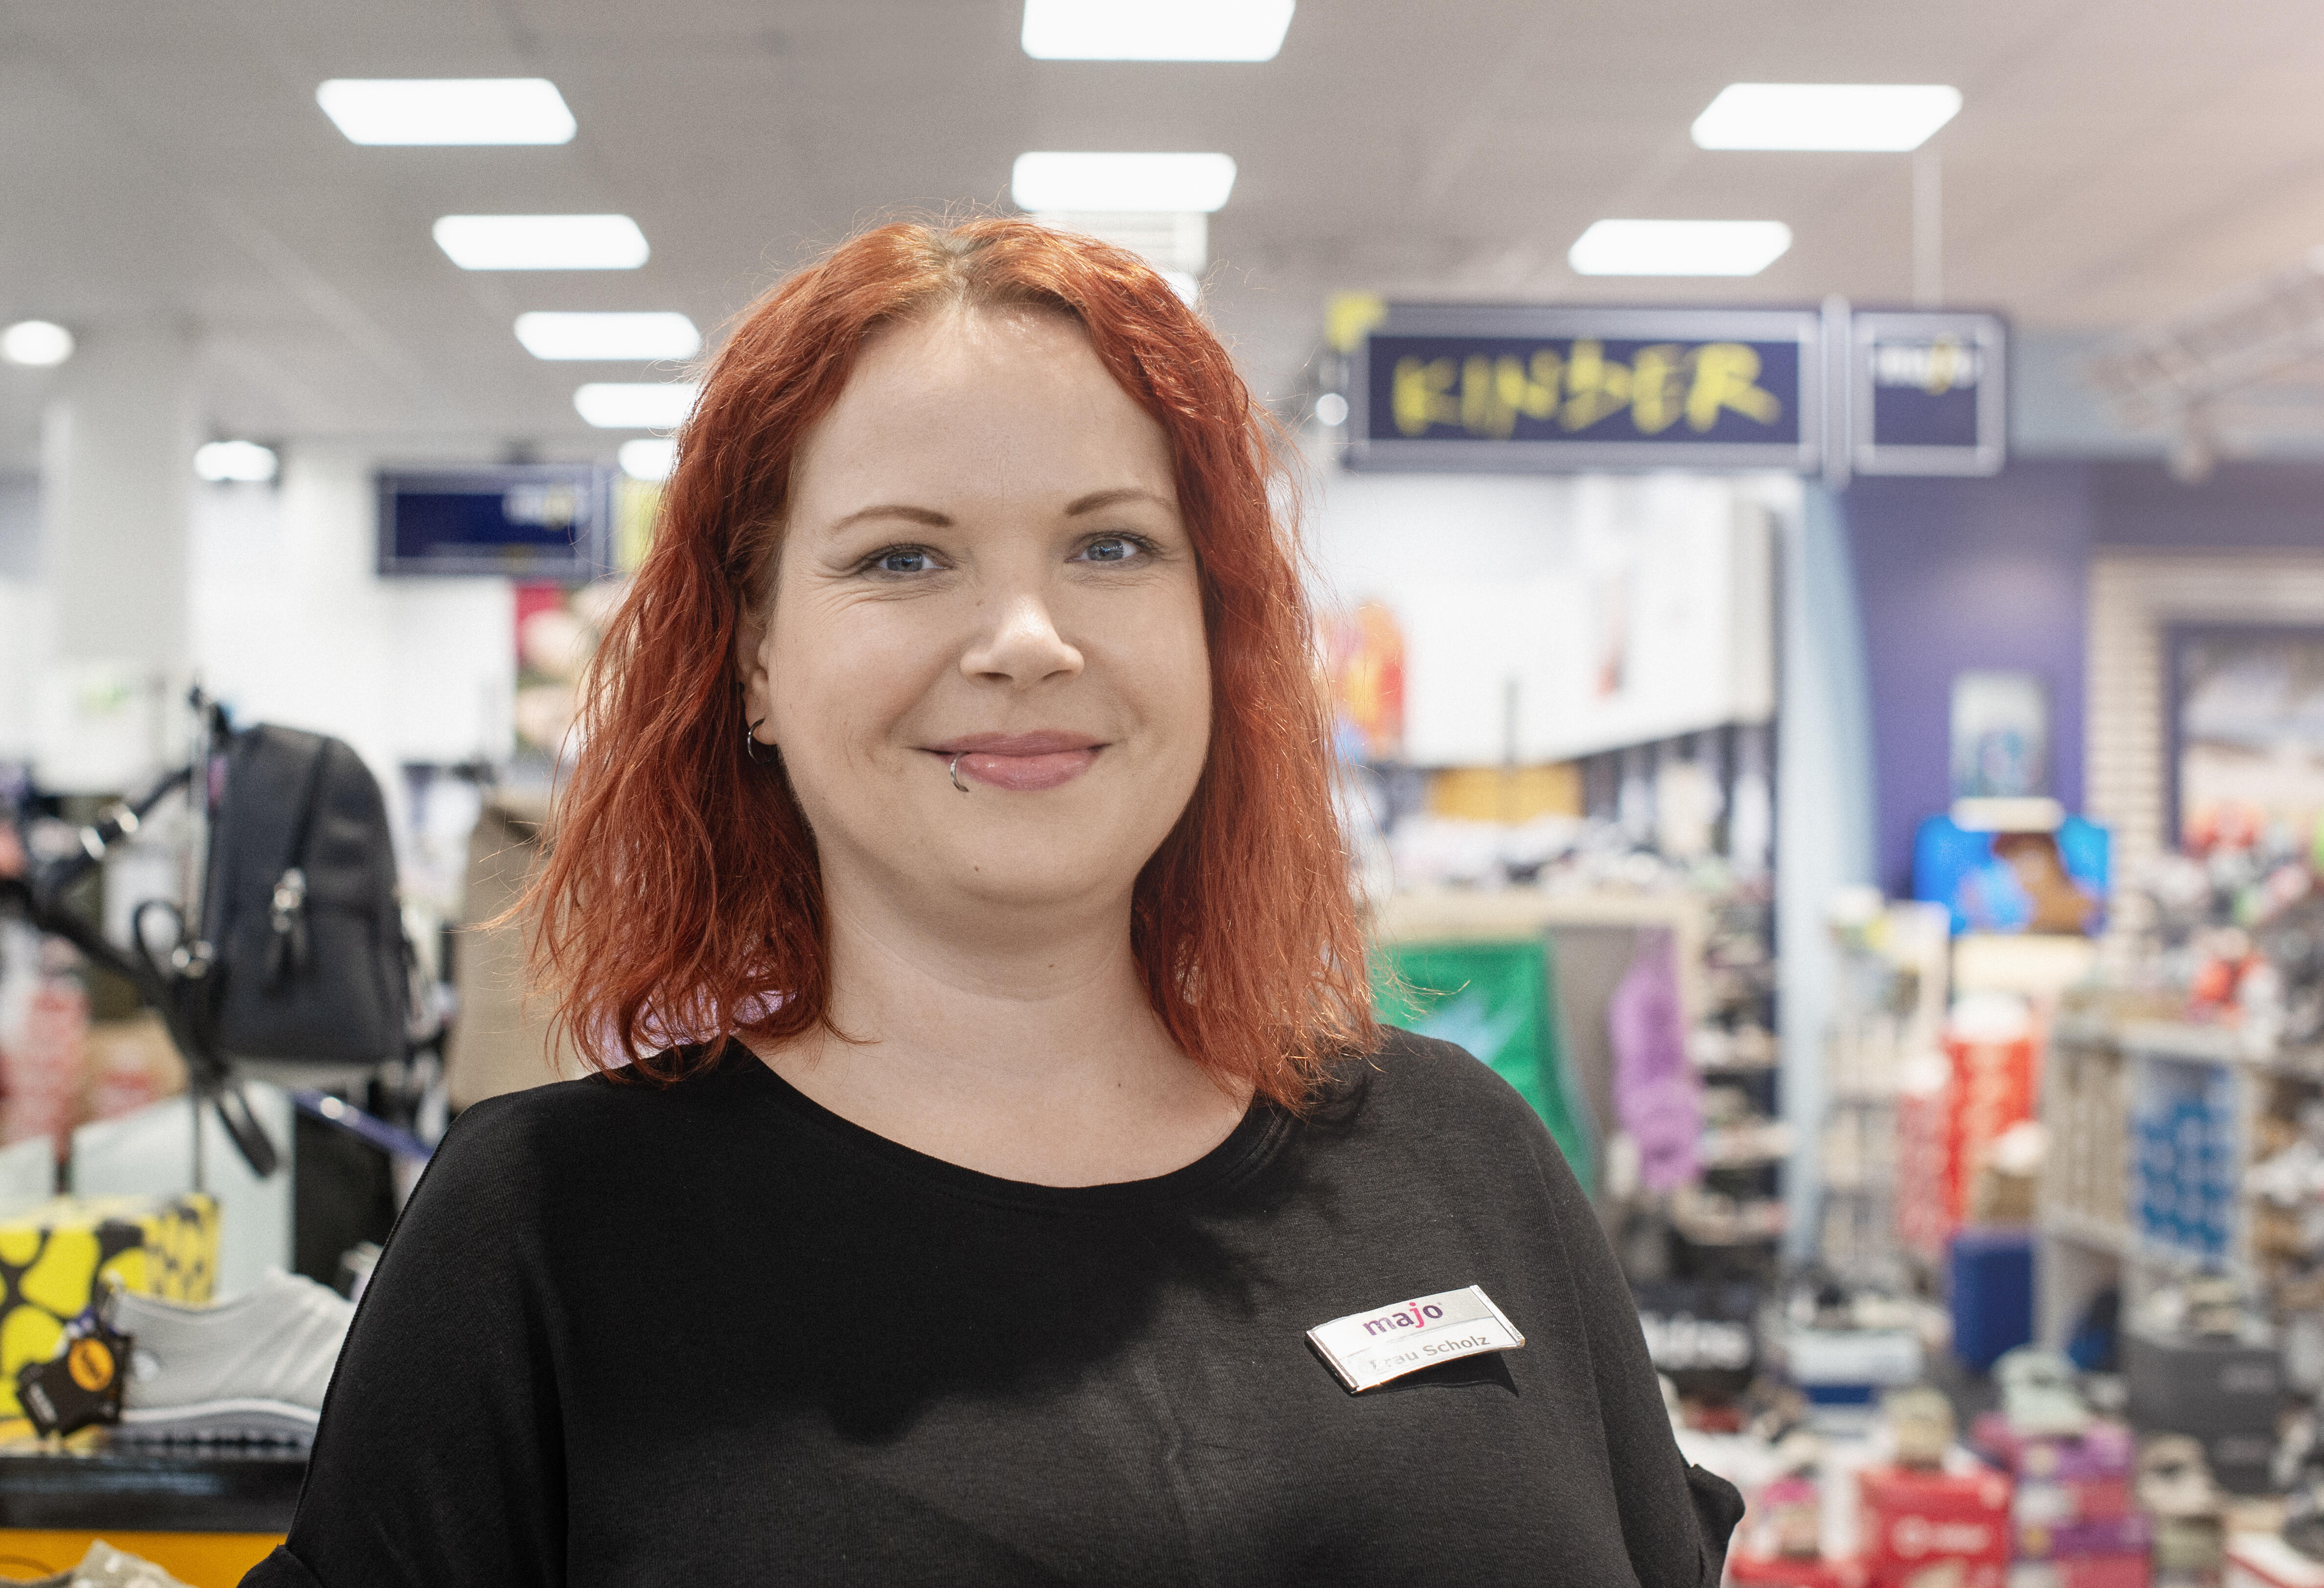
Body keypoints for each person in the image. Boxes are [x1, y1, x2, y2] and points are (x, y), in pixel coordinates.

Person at [245, 217, 1741, 1587]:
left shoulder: (1461, 1155)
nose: (1026, 636)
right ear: (754, 658)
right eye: (902, 556)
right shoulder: (549, 1232)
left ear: (1211, 625)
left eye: (1111, 546)